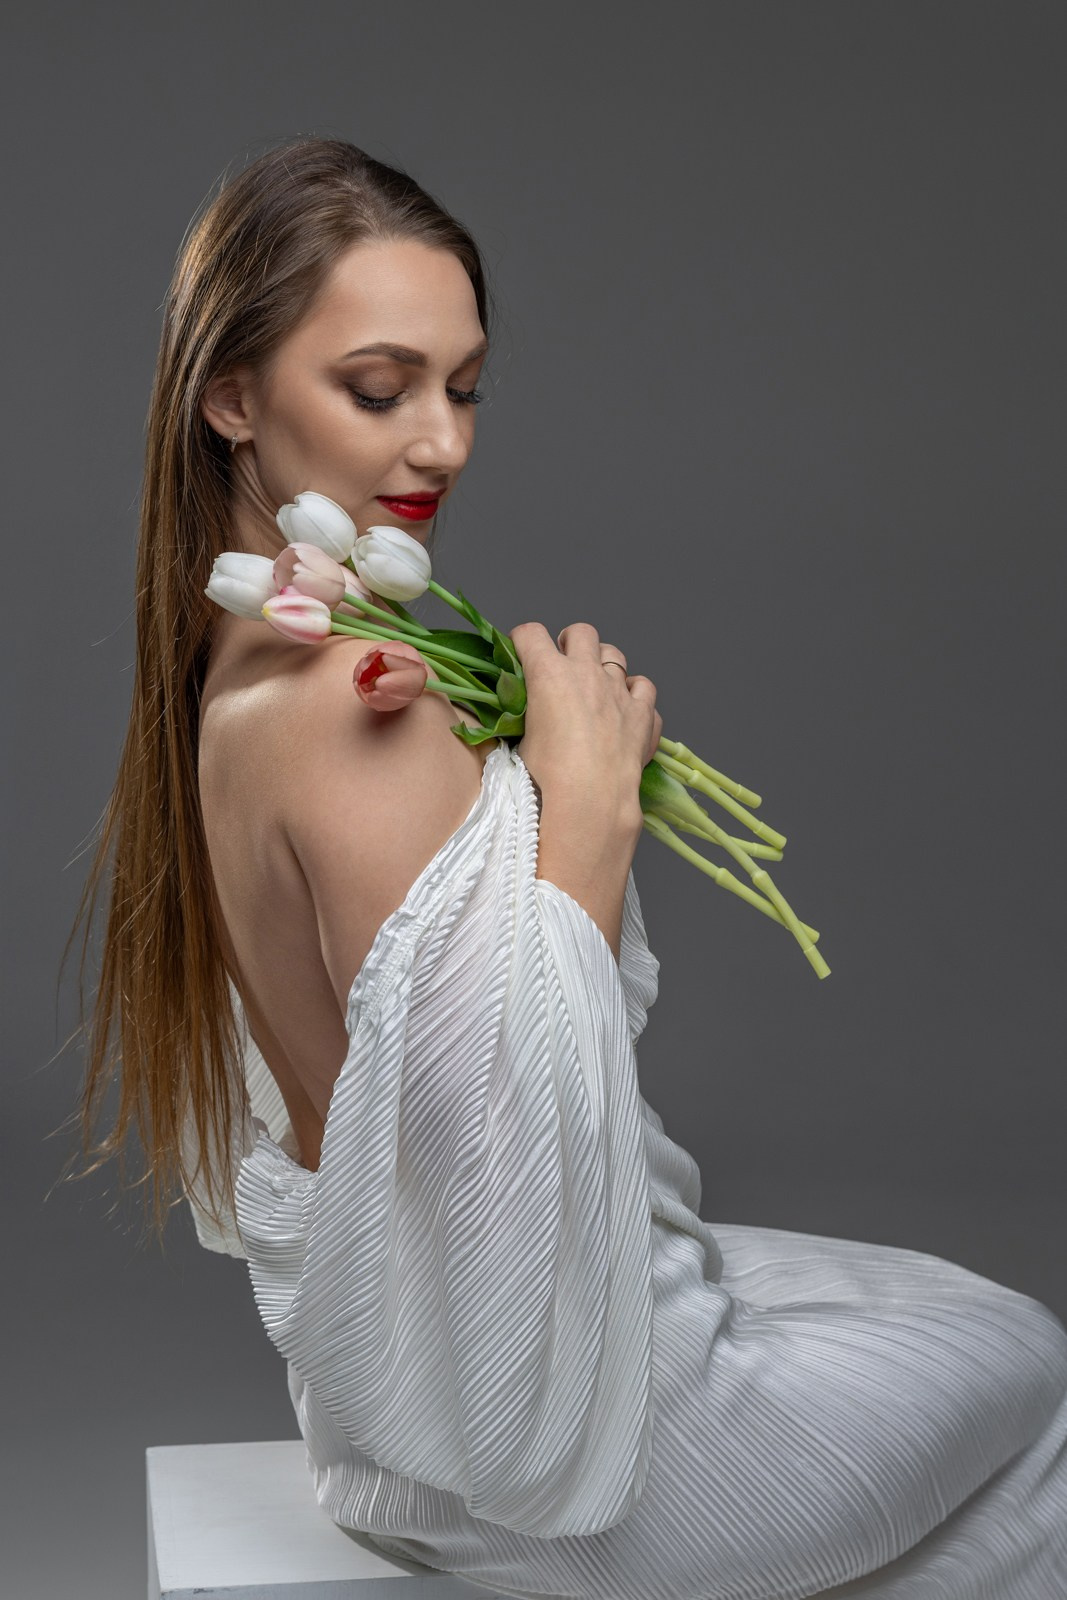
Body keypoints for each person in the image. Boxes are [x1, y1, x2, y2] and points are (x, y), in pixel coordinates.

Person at [68, 136, 1067, 1599]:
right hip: (540, 1451)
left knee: (915, 1310)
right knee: (1029, 1360)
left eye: (465, 388)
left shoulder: (239, 675)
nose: (443, 445)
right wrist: (585, 807)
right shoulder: (353, 711)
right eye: (380, 389)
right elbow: (490, 1167)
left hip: (387, 1421)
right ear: (231, 397)